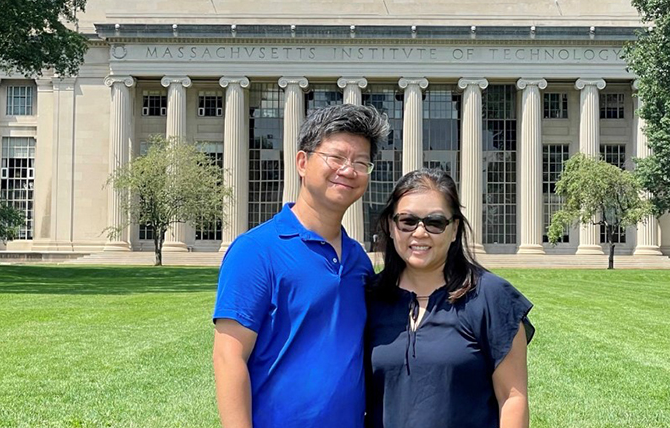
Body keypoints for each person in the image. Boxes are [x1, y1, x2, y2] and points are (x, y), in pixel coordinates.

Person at [213, 103, 390, 428]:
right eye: (336, 158)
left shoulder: (358, 262)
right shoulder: (255, 252)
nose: (348, 170)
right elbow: (229, 357)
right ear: (302, 162)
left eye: (361, 162)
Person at [365, 168, 534, 428]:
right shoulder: (369, 298)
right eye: (407, 221)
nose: (420, 233)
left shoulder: (490, 297)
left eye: (435, 222)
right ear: (390, 225)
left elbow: (512, 397)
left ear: (454, 229)